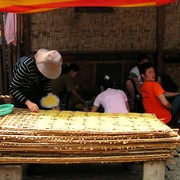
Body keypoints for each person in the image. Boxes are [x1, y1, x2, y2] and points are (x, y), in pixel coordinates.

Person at [139, 62, 180, 126]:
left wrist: (177, 94)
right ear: (143, 75)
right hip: (165, 118)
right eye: (149, 72)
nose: (153, 74)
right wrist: (170, 107)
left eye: (153, 72)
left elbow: (163, 93)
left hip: (152, 119)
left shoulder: (143, 87)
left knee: (178, 96)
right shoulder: (155, 85)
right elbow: (165, 103)